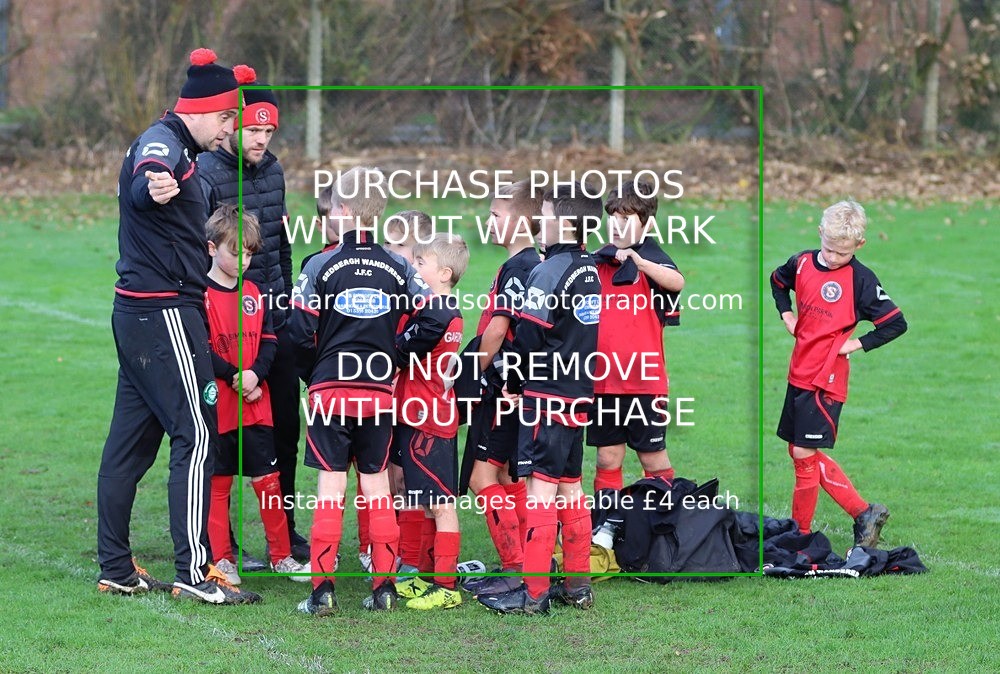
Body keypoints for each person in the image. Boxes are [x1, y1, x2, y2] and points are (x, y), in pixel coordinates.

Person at [97, 48, 259, 604]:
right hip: (164, 311)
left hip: (140, 314)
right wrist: (155, 185)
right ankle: (196, 573)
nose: (230, 128)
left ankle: (116, 566)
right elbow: (149, 173)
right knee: (195, 432)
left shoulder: (183, 147)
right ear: (199, 110)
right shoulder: (164, 142)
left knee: (129, 446)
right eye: (225, 118)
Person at [290, 166, 431, 614]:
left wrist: (315, 374)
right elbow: (437, 316)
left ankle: (322, 591)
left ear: (343, 209)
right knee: (377, 489)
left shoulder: (320, 263)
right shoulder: (398, 265)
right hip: (378, 392)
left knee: (330, 488)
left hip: (331, 389)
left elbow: (296, 330)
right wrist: (396, 351)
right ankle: (383, 589)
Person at [198, 66, 308, 569]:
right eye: (253, 130)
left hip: (272, 324)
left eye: (268, 131)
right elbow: (198, 250)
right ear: (231, 126)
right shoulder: (205, 172)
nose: (261, 140)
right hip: (221, 325)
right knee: (215, 441)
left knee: (283, 431)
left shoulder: (277, 171)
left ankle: (284, 536)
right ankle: (215, 542)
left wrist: (282, 300)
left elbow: (281, 245)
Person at [477, 183, 602, 615]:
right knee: (571, 487)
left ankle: (532, 593)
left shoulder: (549, 270)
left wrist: (511, 378)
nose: (539, 223)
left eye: (545, 215)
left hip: (546, 396)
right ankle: (578, 585)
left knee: (540, 492)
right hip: (578, 393)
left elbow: (528, 336)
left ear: (564, 222)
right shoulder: (588, 268)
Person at [770, 200, 907, 549]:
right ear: (820, 234)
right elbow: (777, 280)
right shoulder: (801, 262)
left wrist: (855, 344)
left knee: (803, 453)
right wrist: (786, 314)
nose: (833, 258)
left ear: (859, 246)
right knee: (798, 450)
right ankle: (864, 513)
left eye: (842, 253)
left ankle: (800, 532)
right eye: (829, 249)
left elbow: (894, 323)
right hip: (799, 370)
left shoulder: (861, 280)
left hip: (826, 379)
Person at [202, 204, 310, 585]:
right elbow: (201, 348)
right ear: (212, 248)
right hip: (219, 406)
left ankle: (281, 555)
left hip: (254, 401)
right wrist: (233, 375)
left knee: (268, 479)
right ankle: (221, 558)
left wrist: (254, 374)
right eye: (236, 252)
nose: (244, 260)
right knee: (219, 482)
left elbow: (267, 339)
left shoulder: (253, 292)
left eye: (249, 253)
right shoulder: (201, 295)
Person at [461, 180, 541, 597]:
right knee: (510, 474)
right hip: (524, 386)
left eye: (496, 215)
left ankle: (515, 567)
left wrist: (469, 372)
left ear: (522, 220)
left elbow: (497, 329)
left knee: (481, 476)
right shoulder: (536, 262)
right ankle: (534, 562)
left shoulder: (518, 267)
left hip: (502, 387)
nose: (489, 222)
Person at [589, 180, 684, 511]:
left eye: (626, 219)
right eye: (612, 217)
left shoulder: (654, 259)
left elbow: (677, 281)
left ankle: (667, 526)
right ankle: (606, 529)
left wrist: (638, 262)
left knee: (654, 459)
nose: (616, 225)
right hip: (603, 383)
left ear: (647, 222)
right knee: (607, 457)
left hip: (644, 384)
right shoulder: (600, 260)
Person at [392, 233, 469, 610]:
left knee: (440, 503)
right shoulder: (436, 309)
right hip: (416, 413)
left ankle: (446, 585)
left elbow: (400, 351)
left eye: (420, 264)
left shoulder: (438, 313)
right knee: (416, 498)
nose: (413, 269)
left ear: (444, 273)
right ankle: (416, 574)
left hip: (430, 420)